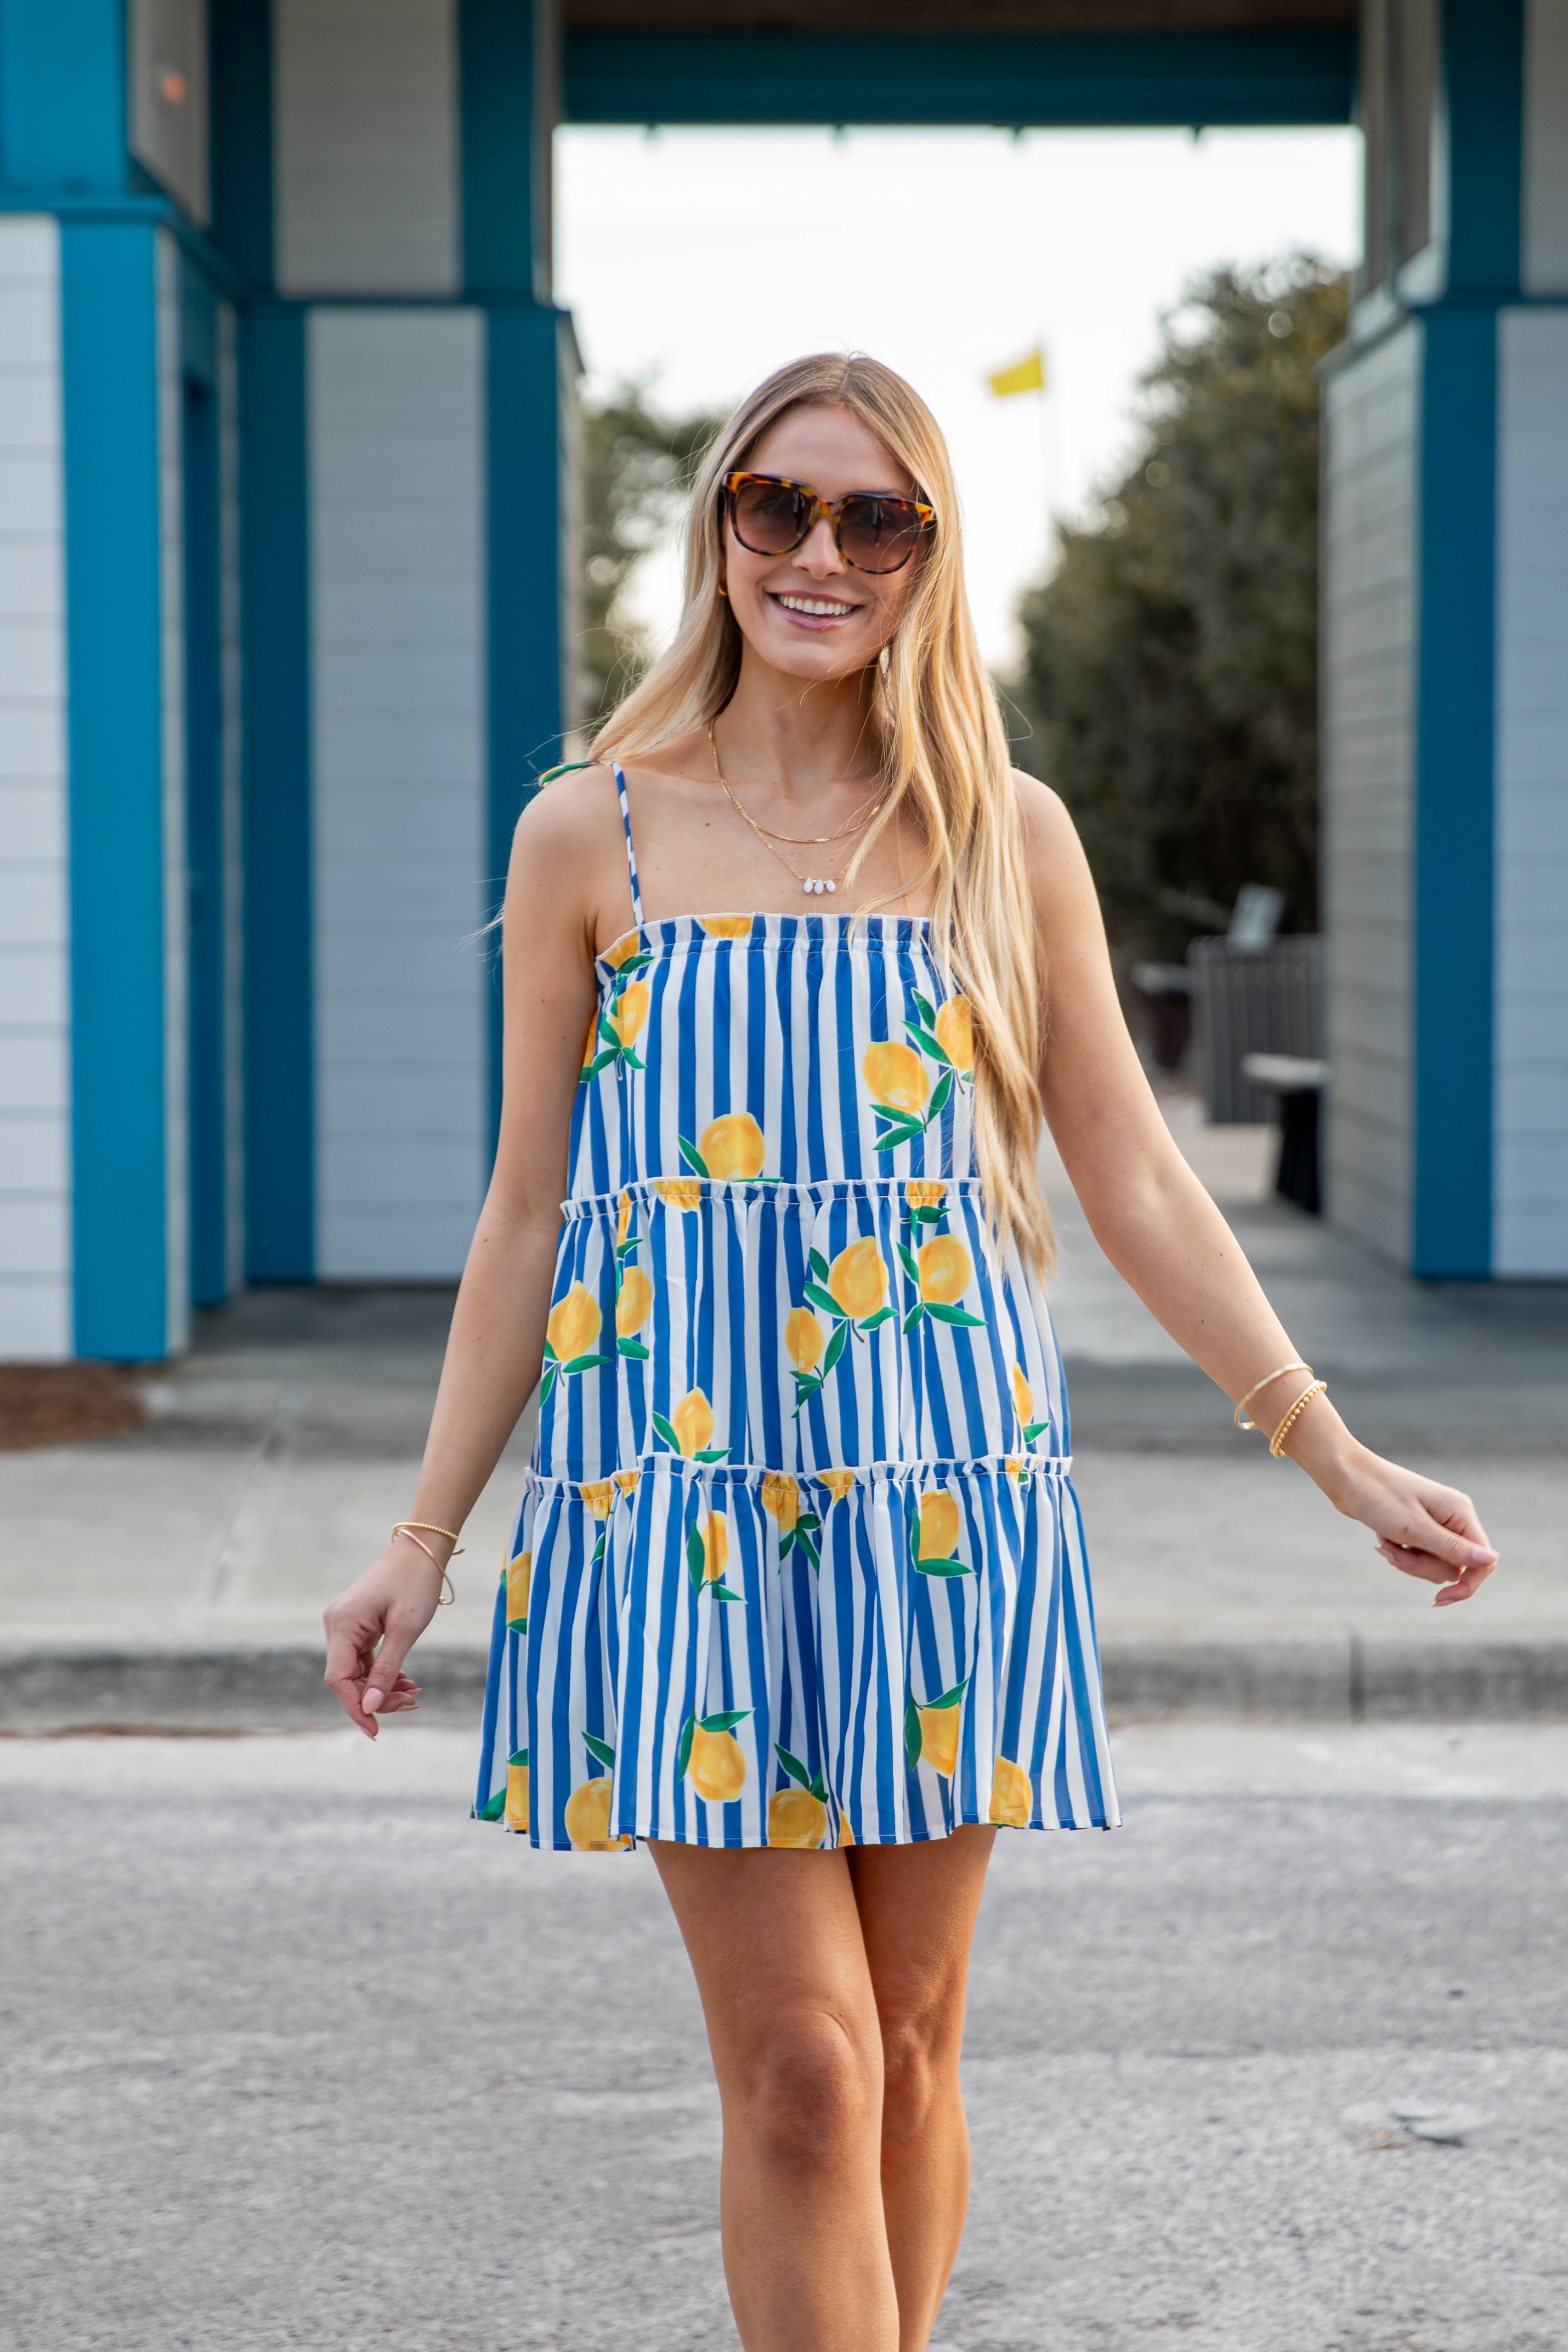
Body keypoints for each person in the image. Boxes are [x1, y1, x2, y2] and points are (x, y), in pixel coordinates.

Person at [322, 353, 1496, 2352]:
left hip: (935, 1500)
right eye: (775, 506)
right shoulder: (582, 838)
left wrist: (1329, 1451)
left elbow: (1129, 1174)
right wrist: (426, 1539)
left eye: (876, 519)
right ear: (718, 527)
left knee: (918, 2041)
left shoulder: (1001, 835)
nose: (818, 554)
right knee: (803, 2061)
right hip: (677, 1509)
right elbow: (526, 1214)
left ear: (930, 557)